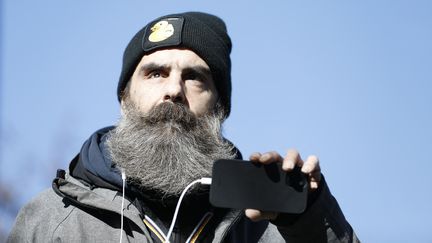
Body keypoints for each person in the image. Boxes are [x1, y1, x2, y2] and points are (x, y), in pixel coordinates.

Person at [8, 12, 359, 243]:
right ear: (124, 98)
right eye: (155, 73)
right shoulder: (53, 220)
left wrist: (312, 220)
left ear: (219, 107)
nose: (174, 90)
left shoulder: (267, 228)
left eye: (194, 77)